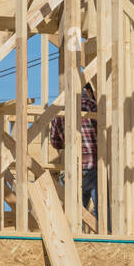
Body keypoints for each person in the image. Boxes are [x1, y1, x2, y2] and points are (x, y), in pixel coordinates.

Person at [49, 83, 99, 223]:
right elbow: (105, 133)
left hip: (74, 169)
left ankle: (75, 239)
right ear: (88, 91)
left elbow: (55, 142)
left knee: (75, 213)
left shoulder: (60, 112)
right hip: (95, 167)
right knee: (101, 211)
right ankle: (105, 237)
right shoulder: (93, 106)